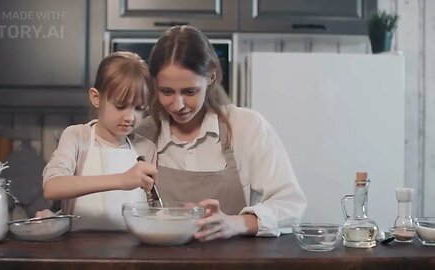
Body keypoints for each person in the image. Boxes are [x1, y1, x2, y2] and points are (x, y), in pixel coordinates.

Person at [134, 25, 307, 241]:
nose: (178, 105)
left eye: (190, 91)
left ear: (211, 77)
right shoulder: (141, 136)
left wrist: (236, 223)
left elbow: (291, 205)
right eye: (167, 91)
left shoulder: (247, 127)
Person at [42, 51, 158, 231]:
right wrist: (121, 180)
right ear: (96, 98)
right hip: (80, 249)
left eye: (139, 108)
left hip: (134, 250)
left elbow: (154, 210)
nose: (130, 117)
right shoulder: (77, 137)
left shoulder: (146, 148)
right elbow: (52, 186)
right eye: (120, 106)